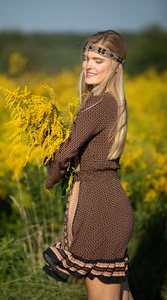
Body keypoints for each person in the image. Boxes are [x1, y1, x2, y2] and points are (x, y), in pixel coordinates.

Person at [42, 30, 135, 300]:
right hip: (109, 205)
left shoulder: (99, 103)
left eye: (98, 60)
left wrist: (52, 175)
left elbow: (65, 153)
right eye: (86, 58)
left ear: (116, 66)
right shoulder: (111, 102)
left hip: (100, 212)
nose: (89, 66)